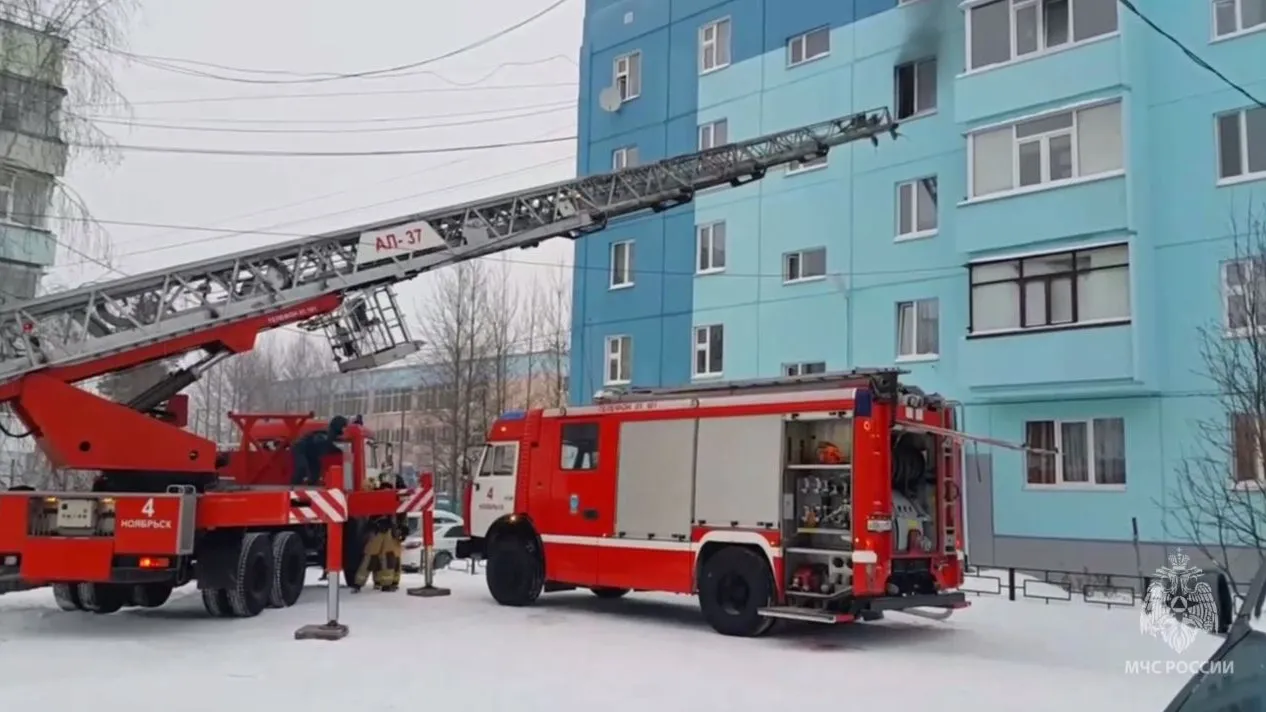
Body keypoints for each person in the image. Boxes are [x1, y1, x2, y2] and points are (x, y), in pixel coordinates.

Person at [291, 415, 348, 486]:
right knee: (302, 468)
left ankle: (311, 485)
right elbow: (323, 442)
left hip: (311, 451)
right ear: (339, 426)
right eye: (344, 427)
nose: (345, 429)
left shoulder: (331, 432)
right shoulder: (328, 433)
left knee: (316, 470)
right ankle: (294, 487)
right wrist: (339, 451)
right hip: (301, 448)